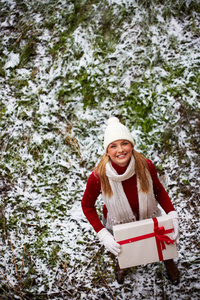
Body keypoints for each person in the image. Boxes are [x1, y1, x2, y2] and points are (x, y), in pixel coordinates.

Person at [81, 117, 180, 285]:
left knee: (161, 243)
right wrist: (103, 234)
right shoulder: (99, 177)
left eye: (124, 143)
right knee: (122, 249)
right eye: (113, 146)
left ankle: (168, 261)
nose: (120, 150)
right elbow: (87, 205)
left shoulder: (146, 166)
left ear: (132, 145)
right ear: (107, 151)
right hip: (118, 224)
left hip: (149, 216)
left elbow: (158, 191)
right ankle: (123, 263)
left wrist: (172, 214)